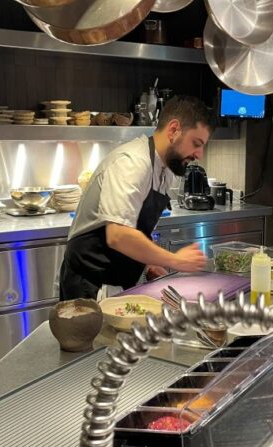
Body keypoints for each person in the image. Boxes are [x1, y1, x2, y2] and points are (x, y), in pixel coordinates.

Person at [59, 95, 213, 301]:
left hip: (119, 280)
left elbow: (134, 225)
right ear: (174, 130)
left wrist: (149, 264)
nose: (199, 154)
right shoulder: (132, 163)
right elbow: (118, 235)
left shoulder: (165, 169)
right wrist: (176, 260)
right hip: (89, 284)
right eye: (196, 143)